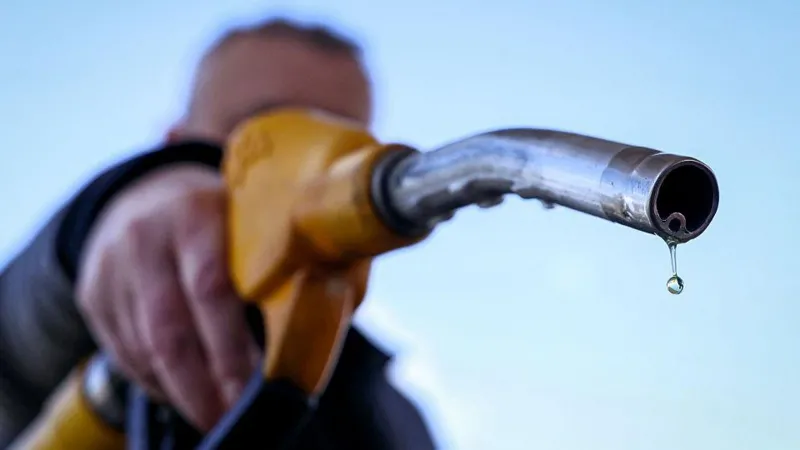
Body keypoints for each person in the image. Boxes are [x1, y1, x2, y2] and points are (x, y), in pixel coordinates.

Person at [0, 18, 436, 449]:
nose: (311, 172)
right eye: (264, 136)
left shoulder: (394, 419)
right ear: (176, 145)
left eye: (344, 146)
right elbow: (21, 323)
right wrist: (123, 199)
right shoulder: (70, 305)